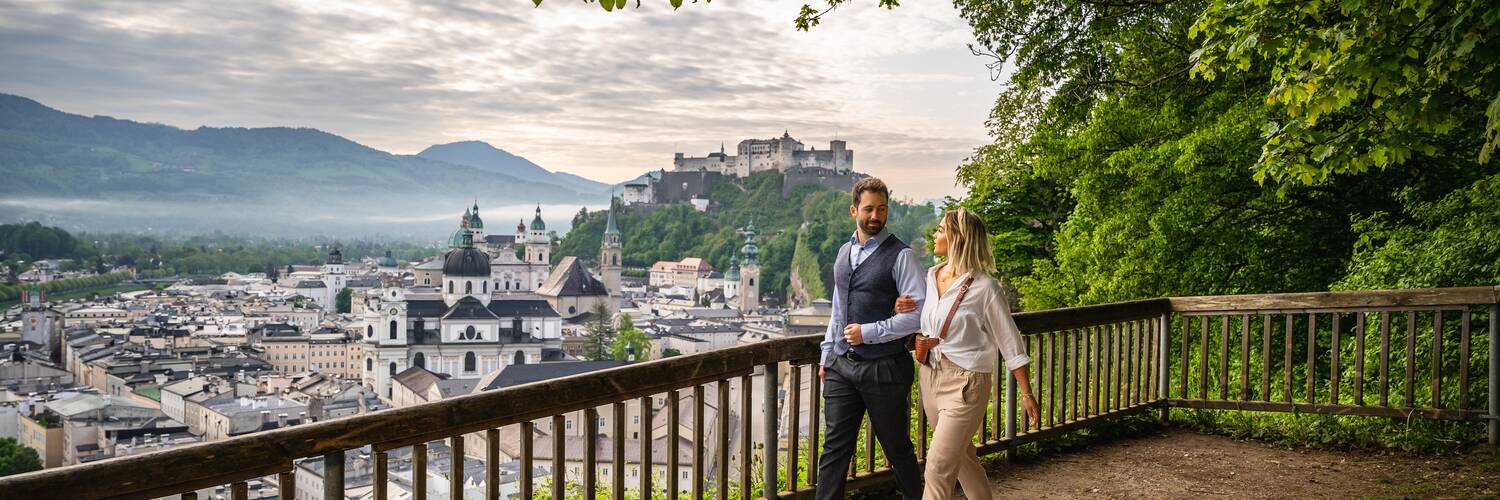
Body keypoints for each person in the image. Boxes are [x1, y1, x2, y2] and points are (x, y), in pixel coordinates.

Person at [901, 207, 1039, 500]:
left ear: (958, 238)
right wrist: (900, 307)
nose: (935, 235)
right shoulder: (932, 275)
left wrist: (1027, 394)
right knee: (963, 459)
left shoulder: (986, 288)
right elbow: (928, 321)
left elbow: (1011, 343)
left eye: (940, 230)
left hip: (966, 385)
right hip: (930, 376)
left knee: (937, 468)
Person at [815, 177, 926, 500]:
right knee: (834, 450)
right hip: (841, 366)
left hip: (885, 368)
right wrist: (826, 357)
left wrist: (870, 332)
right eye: (868, 209)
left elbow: (918, 316)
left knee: (896, 448)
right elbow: (839, 309)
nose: (875, 216)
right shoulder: (843, 252)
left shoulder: (901, 256)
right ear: (854, 211)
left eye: (881, 209)